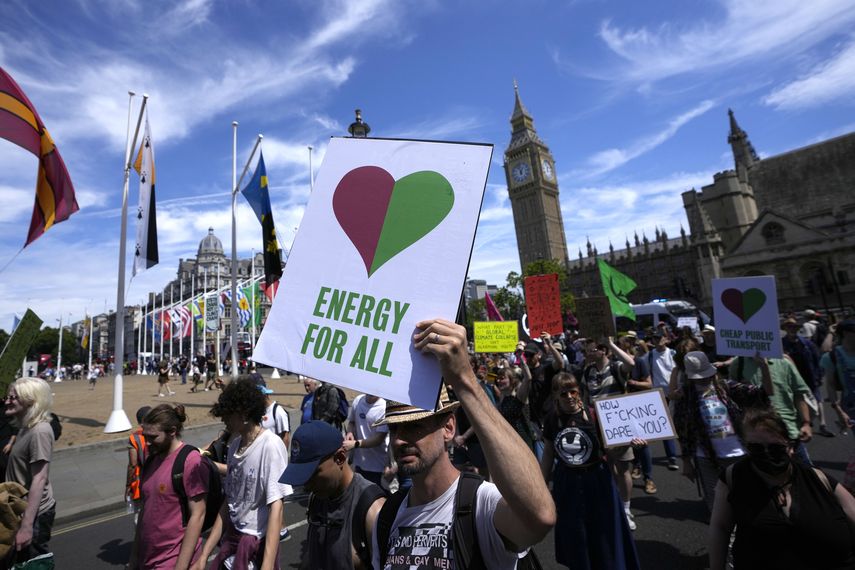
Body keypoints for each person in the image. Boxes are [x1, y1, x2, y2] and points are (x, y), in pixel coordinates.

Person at [371, 318, 555, 570]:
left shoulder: (481, 503)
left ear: (448, 428)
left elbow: (540, 517)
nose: (400, 439)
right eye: (394, 429)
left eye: (415, 426)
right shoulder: (387, 516)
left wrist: (464, 376)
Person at [708, 409, 855, 570]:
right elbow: (720, 527)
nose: (766, 454)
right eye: (756, 448)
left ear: (790, 446)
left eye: (775, 448)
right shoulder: (733, 478)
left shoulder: (818, 478)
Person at [541, 372, 641, 569]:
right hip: (567, 483)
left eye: (572, 391)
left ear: (579, 391)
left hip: (597, 480)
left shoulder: (594, 414)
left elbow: (610, 452)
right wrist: (541, 487)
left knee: (604, 532)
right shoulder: (552, 419)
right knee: (576, 533)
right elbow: (548, 455)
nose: (569, 396)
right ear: (555, 396)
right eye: (563, 393)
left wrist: (629, 445)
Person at [195, 379, 292, 570]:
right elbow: (229, 503)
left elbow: (276, 507)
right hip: (231, 544)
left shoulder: (270, 445)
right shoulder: (234, 448)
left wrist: (266, 564)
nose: (224, 420)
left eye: (228, 415)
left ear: (245, 415)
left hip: (255, 547)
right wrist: (204, 555)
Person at [671, 352, 771, 512]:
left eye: (704, 375)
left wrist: (764, 367)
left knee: (746, 497)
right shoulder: (685, 395)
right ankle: (725, 533)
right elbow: (683, 431)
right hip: (706, 458)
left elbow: (763, 393)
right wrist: (686, 462)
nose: (702, 379)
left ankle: (746, 532)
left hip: (737, 454)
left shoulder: (725, 387)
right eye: (698, 377)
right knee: (716, 502)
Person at [280, 421, 385, 570]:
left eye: (313, 474)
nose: (307, 485)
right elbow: (312, 556)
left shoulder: (373, 512)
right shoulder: (318, 497)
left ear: (340, 458)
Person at [130, 404, 208, 570]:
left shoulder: (190, 460)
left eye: (153, 437)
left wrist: (180, 567)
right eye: (145, 437)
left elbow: (198, 515)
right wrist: (134, 558)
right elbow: (145, 512)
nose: (148, 443)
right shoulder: (151, 460)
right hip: (148, 558)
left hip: (172, 560)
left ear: (172, 431)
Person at [580, 338, 638, 529]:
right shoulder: (588, 371)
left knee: (623, 468)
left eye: (593, 349)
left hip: (618, 424)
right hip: (597, 425)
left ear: (603, 351)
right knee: (606, 466)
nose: (589, 353)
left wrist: (612, 344)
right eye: (587, 351)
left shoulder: (616, 367)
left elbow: (631, 363)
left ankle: (626, 508)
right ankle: (615, 503)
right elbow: (585, 396)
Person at [4, 378, 56, 563]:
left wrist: (27, 526)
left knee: (31, 564)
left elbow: (40, 478)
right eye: (8, 396)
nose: (7, 401)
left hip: (34, 514)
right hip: (18, 509)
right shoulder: (26, 427)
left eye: (13, 397)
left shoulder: (39, 431)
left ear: (30, 400)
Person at [730, 353, 814, 464]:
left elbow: (798, 394)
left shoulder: (784, 362)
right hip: (758, 438)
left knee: (807, 475)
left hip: (790, 431)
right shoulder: (738, 363)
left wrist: (806, 423)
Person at [782, 317, 833, 437]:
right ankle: (805, 423)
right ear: (785, 329)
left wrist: (819, 375)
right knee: (797, 399)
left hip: (809, 375)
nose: (792, 329)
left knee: (817, 399)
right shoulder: (781, 344)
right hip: (793, 377)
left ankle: (822, 425)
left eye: (794, 327)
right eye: (789, 327)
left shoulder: (807, 343)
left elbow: (817, 359)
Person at [646, 332, 680, 471]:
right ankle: (671, 456)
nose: (657, 340)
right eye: (654, 338)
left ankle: (688, 451)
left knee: (680, 423)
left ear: (666, 339)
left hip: (675, 393)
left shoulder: (673, 353)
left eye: (659, 337)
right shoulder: (650, 355)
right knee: (666, 425)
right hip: (659, 394)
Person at [342, 394, 388, 487]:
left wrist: (355, 444)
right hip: (359, 463)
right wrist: (350, 433)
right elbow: (352, 422)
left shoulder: (384, 407)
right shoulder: (358, 400)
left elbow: (379, 439)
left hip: (377, 466)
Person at [821, 318, 855, 434]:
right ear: (846, 333)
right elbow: (830, 385)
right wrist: (839, 411)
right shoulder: (832, 357)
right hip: (851, 405)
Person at [126, 405, 151, 524]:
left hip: (142, 483)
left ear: (139, 422)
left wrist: (128, 486)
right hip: (162, 481)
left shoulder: (135, 438)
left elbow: (132, 464)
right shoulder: (164, 434)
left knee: (140, 516)